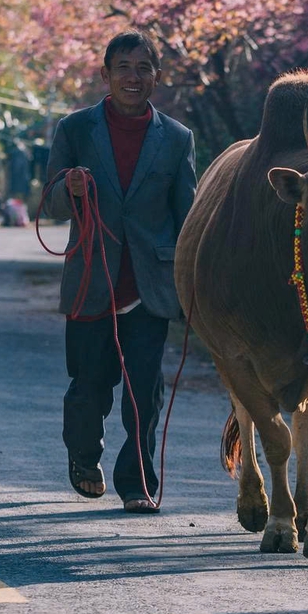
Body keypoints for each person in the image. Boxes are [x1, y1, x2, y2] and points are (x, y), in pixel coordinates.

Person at [41, 30, 197, 512]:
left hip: (149, 289)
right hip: (91, 282)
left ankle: (138, 483)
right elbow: (48, 205)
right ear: (105, 74)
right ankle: (85, 459)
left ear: (156, 77)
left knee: (143, 395)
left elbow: (187, 217)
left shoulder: (176, 139)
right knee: (90, 388)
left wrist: (193, 287)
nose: (134, 77)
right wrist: (70, 187)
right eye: (123, 67)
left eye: (144, 68)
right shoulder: (75, 129)